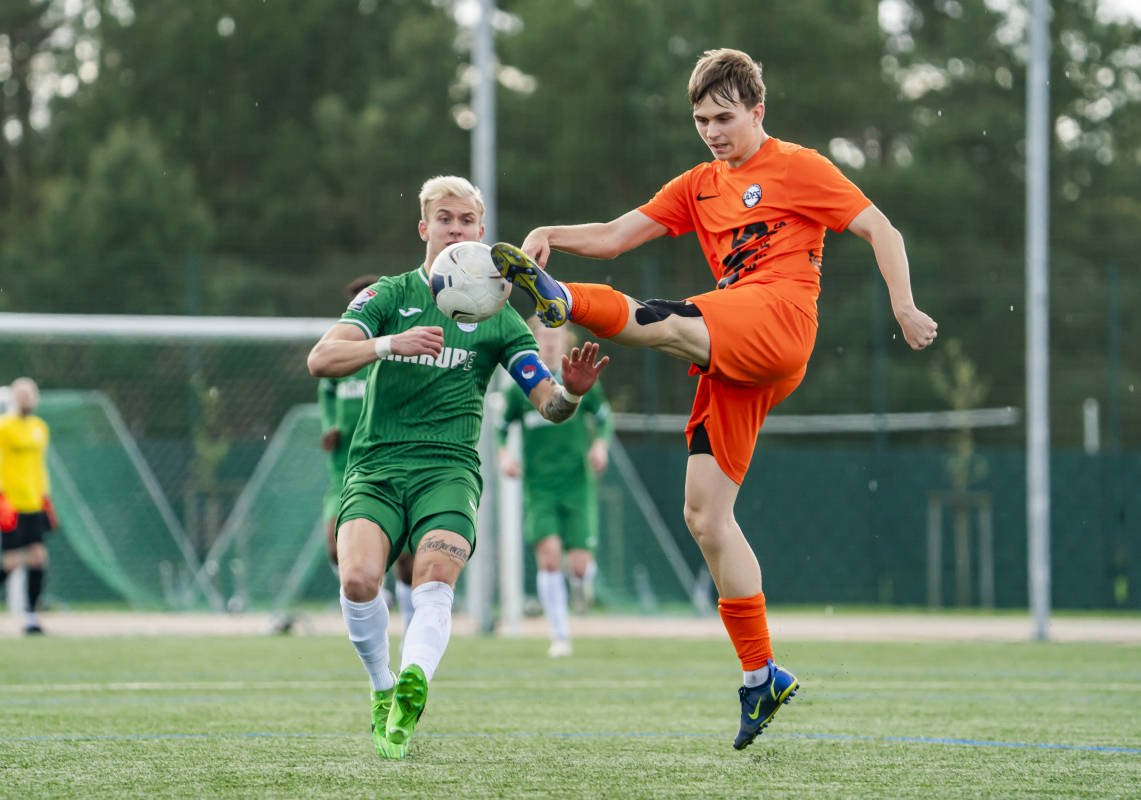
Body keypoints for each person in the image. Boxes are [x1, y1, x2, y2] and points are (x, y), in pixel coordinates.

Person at [491, 49, 938, 750]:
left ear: (758, 111)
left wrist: (904, 306)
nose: (711, 130)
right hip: (733, 343)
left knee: (666, 320)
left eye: (723, 117)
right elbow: (613, 236)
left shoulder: (799, 167)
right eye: (700, 118)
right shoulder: (698, 183)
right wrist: (550, 233)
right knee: (703, 515)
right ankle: (761, 673)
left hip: (780, 321)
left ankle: (559, 301)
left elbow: (881, 227)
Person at [306, 175, 608, 759]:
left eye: (467, 220)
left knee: (434, 578)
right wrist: (390, 345)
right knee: (358, 579)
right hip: (376, 465)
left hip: (449, 470)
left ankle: (415, 681)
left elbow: (546, 403)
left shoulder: (499, 316)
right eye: (444, 218)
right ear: (424, 228)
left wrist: (570, 394)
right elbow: (321, 359)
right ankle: (381, 688)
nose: (456, 229)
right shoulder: (390, 296)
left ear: (482, 231)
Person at [497, 323, 612, 657]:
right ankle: (560, 635)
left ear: (566, 342)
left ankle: (580, 584)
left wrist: (600, 446)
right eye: (543, 337)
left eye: (555, 337)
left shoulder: (580, 379)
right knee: (549, 561)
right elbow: (501, 428)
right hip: (539, 488)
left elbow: (604, 418)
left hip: (577, 485)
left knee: (578, 567)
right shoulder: (520, 386)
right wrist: (504, 456)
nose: (548, 342)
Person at [318, 276, 417, 642]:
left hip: (391, 468)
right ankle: (376, 601)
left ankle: (409, 622)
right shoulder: (346, 358)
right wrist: (330, 426)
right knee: (334, 544)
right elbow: (326, 391)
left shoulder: (397, 353)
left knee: (407, 561)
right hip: (345, 470)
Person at [0, 378, 58, 635]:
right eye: (21, 394)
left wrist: (46, 499)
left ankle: (32, 617)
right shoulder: (4, 427)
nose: (26, 398)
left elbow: (38, 467)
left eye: (30, 394)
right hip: (11, 504)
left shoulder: (40, 428)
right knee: (12, 562)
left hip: (34, 504)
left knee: (38, 558)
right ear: (13, 397)